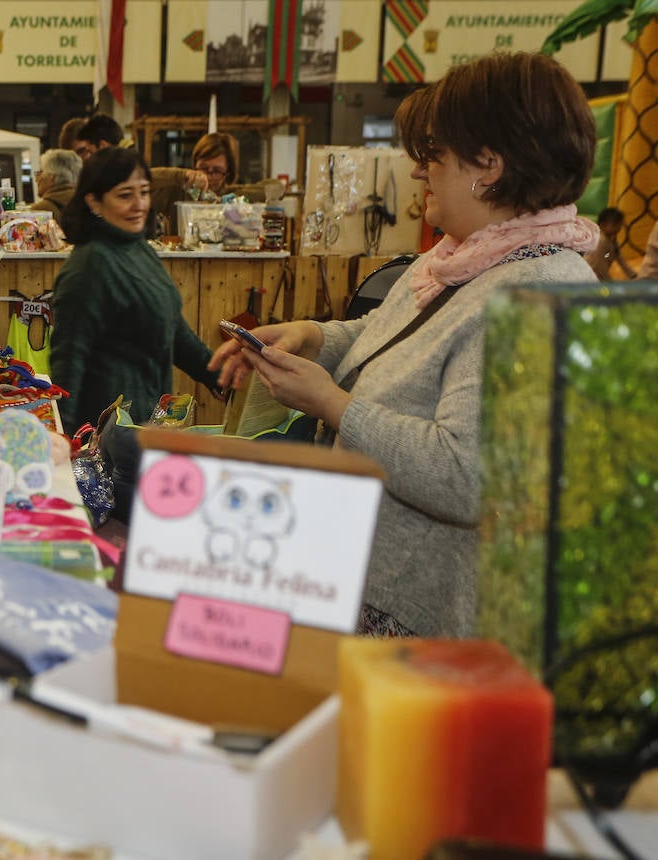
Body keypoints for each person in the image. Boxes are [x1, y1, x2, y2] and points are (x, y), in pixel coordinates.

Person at [207, 52, 599, 638]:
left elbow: (470, 475)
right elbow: (398, 338)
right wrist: (314, 338)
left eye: (433, 154)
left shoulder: (534, 293)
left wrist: (334, 405)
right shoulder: (463, 261)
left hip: (424, 622)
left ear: (488, 166)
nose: (418, 172)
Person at [49, 147, 220, 436]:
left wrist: (218, 375)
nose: (139, 204)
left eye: (144, 192)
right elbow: (68, 362)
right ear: (94, 202)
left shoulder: (137, 247)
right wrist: (67, 443)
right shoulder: (88, 266)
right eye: (125, 195)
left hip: (148, 425)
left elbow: (174, 330)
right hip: (108, 437)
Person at [69, 114, 203, 235]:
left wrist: (182, 175)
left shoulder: (123, 167)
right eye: (125, 195)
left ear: (103, 146)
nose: (138, 205)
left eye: (90, 152)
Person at [29, 149, 82, 222]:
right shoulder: (88, 203)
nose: (36, 179)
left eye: (40, 172)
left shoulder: (41, 209)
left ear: (51, 177)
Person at [585, 207, 636, 280]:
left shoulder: (612, 240)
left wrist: (632, 274)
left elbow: (619, 258)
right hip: (590, 275)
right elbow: (600, 265)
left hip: (599, 275)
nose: (618, 228)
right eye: (615, 225)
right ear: (603, 225)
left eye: (620, 224)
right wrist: (609, 282)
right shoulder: (600, 241)